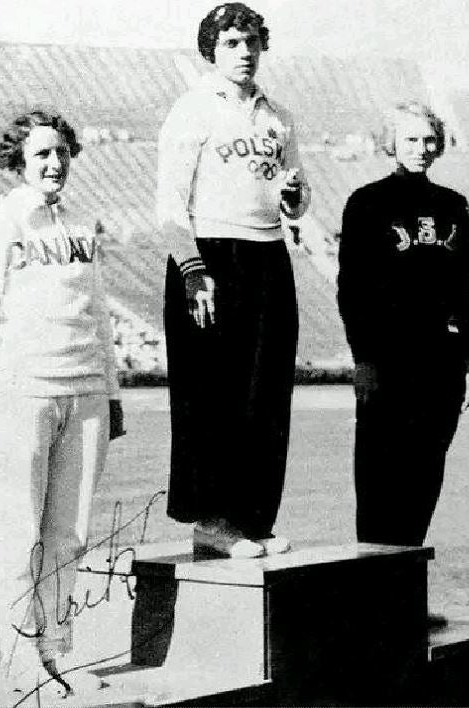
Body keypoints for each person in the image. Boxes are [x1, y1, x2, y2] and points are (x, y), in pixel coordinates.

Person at [0, 110, 123, 696]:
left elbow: (99, 314)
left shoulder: (82, 224)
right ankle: (21, 659)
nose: (54, 164)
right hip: (23, 392)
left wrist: (112, 390)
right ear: (17, 162)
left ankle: (60, 651)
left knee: (70, 532)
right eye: (41, 155)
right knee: (16, 528)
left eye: (61, 153)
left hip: (84, 393)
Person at [156, 2, 310, 559]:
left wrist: (293, 199)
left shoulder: (279, 116)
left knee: (265, 394)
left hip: (268, 253)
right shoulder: (191, 111)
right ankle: (212, 522)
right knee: (212, 395)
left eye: (251, 42)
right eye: (230, 43)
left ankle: (253, 518)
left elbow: (298, 199)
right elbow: (170, 205)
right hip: (209, 258)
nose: (244, 53)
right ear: (211, 51)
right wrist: (194, 272)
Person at [337, 101, 469, 548]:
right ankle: (373, 599)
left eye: (428, 140)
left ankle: (404, 599)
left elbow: (465, 287)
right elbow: (352, 291)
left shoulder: (453, 205)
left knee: (425, 477)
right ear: (392, 144)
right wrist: (364, 360)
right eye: (410, 140)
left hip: (439, 361)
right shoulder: (366, 203)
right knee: (380, 480)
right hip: (388, 359)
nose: (421, 148)